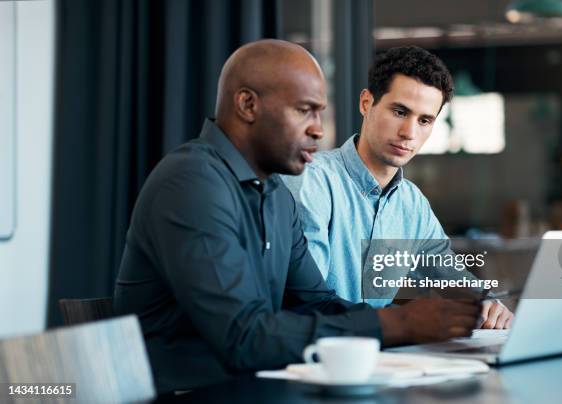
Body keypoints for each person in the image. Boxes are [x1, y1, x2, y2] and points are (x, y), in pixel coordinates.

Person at [113, 39, 482, 393]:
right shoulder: (191, 182)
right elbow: (243, 337)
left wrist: (434, 318)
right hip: (187, 392)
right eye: (304, 110)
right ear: (247, 105)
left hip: (257, 385)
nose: (319, 129)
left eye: (320, 112)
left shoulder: (273, 194)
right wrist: (400, 323)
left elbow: (318, 302)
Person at [283, 46, 513, 329]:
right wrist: (402, 322)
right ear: (366, 103)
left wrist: (486, 302)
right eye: (400, 111)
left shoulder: (412, 205)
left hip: (384, 359)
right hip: (322, 358)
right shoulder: (312, 181)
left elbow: (448, 272)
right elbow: (308, 301)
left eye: (424, 120)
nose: (409, 133)